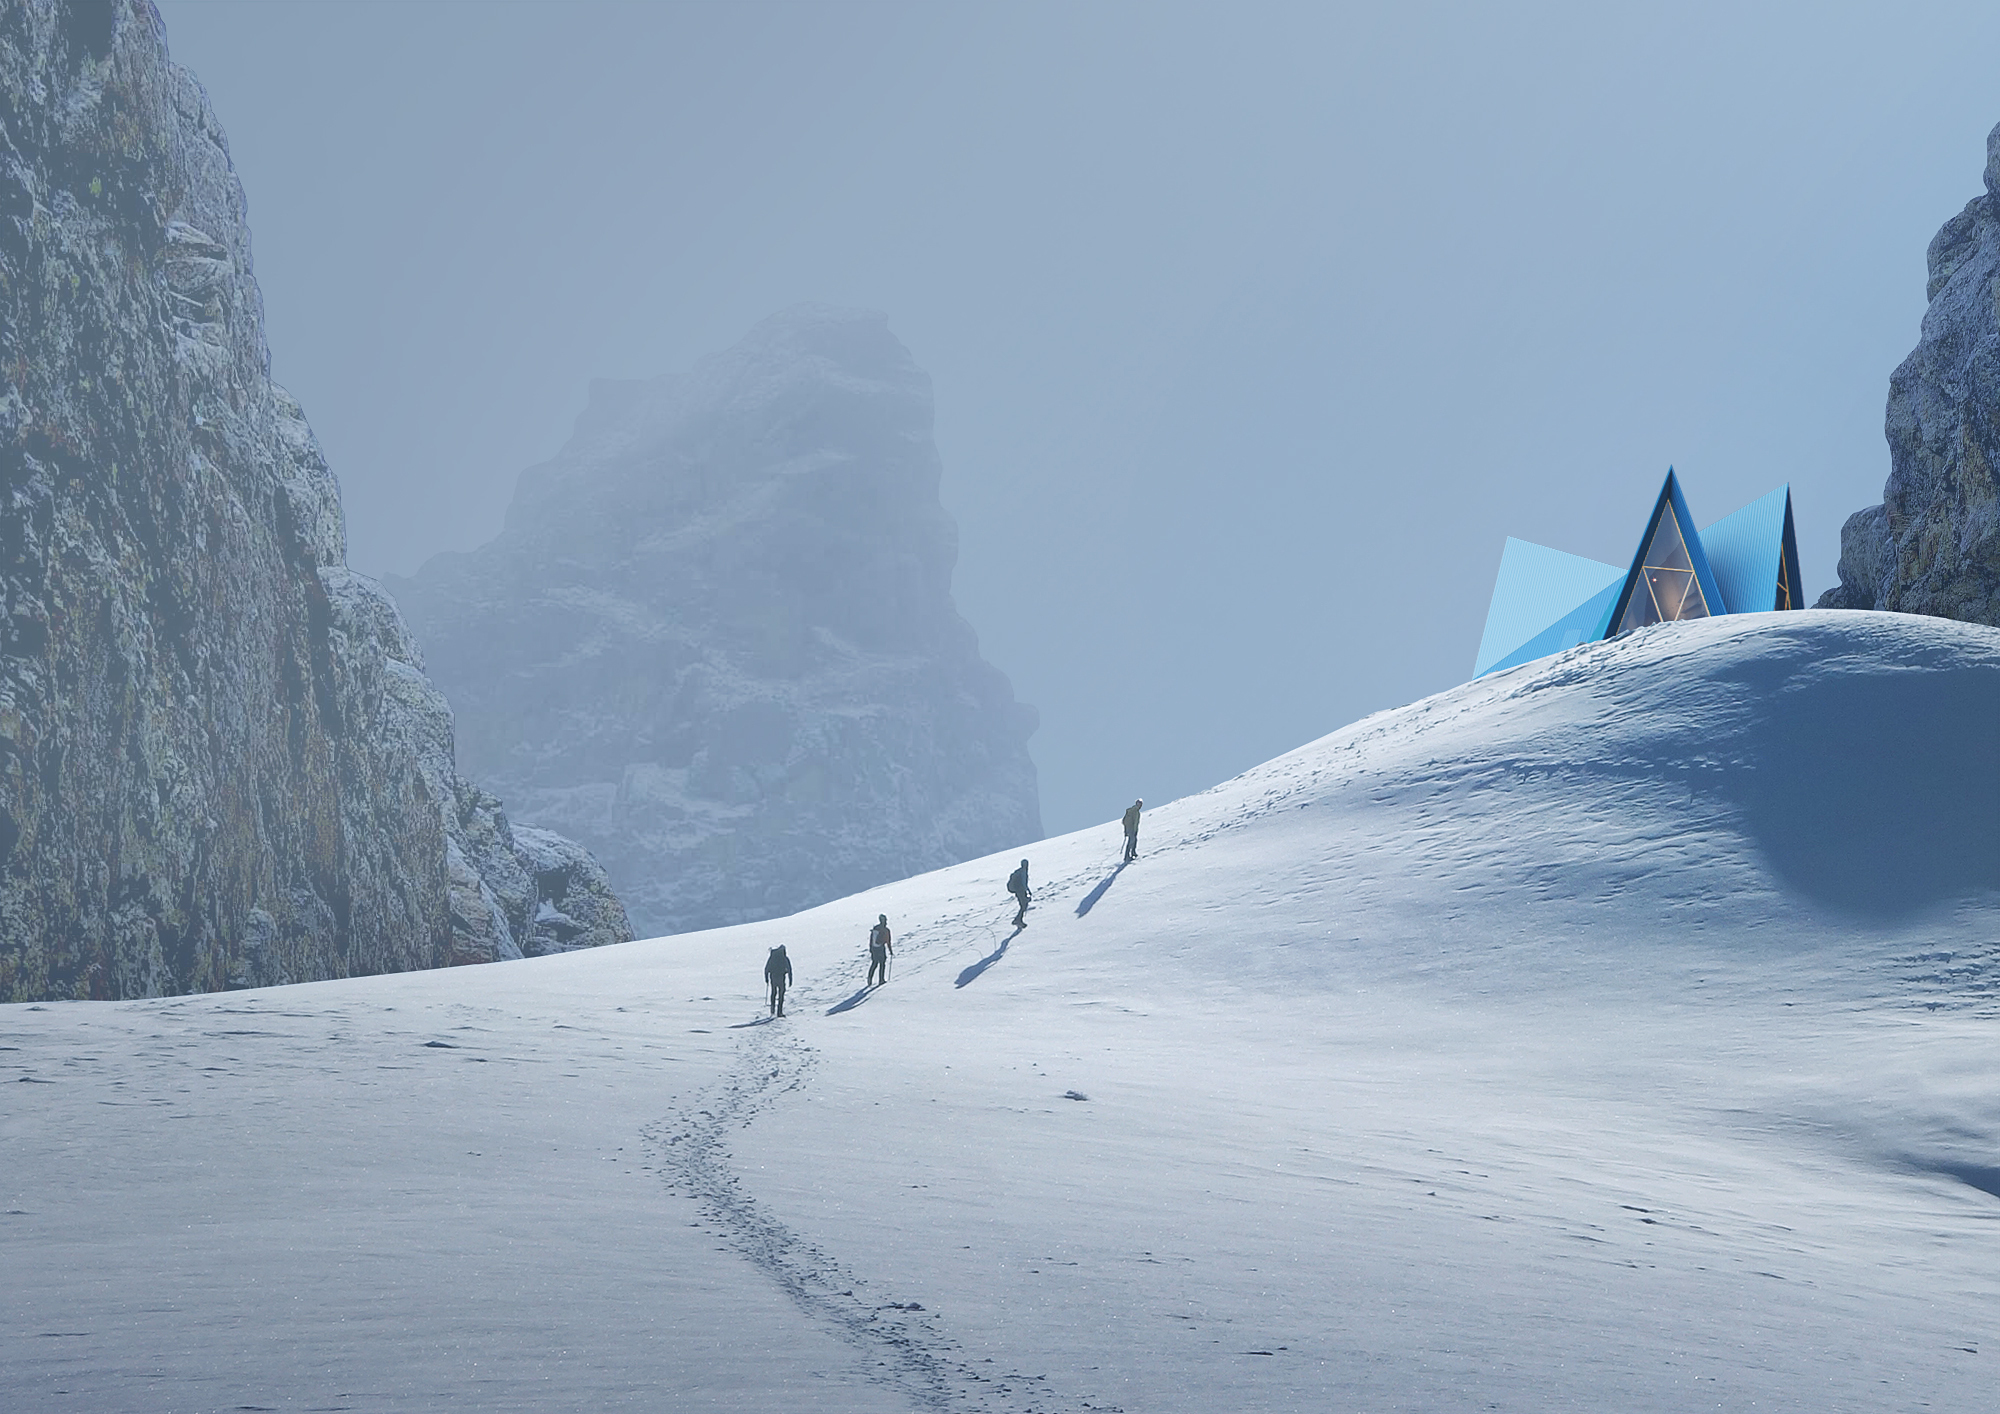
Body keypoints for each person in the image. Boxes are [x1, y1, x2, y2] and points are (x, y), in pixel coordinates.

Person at [764, 944, 793, 1017]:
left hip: (773, 977)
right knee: (781, 994)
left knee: (773, 993)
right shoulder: (784, 958)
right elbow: (789, 969)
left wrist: (766, 979)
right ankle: (779, 1012)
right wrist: (790, 979)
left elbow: (766, 969)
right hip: (781, 977)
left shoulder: (772, 957)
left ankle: (772, 1009)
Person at [867, 914, 893, 986]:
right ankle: (881, 979)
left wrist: (870, 948)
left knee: (874, 963)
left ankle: (870, 978)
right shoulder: (886, 930)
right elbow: (888, 941)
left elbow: (871, 939)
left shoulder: (876, 928)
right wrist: (890, 951)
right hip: (881, 948)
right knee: (882, 964)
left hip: (874, 948)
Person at [1007, 859, 1032, 927]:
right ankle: (1018, 920)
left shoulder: (1018, 871)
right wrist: (1028, 891)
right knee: (1024, 905)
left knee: (1023, 905)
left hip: (1018, 891)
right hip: (1021, 890)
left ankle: (1018, 920)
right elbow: (1024, 883)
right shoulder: (1023, 872)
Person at [1122, 798, 1144, 862]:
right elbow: (1131, 821)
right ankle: (1127, 856)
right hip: (1131, 829)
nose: (1140, 805)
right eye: (1139, 803)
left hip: (1133, 829)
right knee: (1131, 841)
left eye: (1141, 804)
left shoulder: (1136, 812)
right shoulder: (1133, 811)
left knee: (1134, 841)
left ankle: (1132, 853)